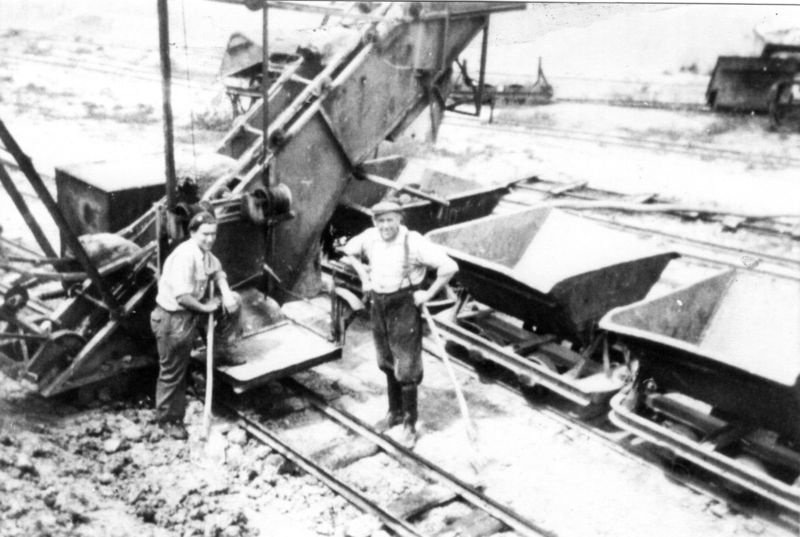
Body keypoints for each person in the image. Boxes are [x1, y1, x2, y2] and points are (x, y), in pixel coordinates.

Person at [340, 200, 458, 447]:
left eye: (390, 220)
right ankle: (393, 413)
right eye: (380, 220)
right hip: (378, 303)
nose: (385, 226)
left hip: (403, 304)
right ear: (374, 221)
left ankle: (409, 424)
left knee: (406, 365)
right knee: (385, 360)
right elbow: (348, 251)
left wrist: (427, 294)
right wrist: (364, 276)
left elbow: (449, 267)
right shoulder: (370, 237)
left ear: (399, 220)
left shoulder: (413, 241)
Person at [149, 211, 242, 440]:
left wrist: (225, 293)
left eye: (213, 234)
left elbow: (217, 270)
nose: (210, 239)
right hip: (173, 319)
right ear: (192, 233)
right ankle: (168, 420)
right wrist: (206, 308)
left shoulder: (203, 253)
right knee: (173, 372)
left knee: (235, 301)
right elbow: (182, 297)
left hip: (192, 312)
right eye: (204, 234)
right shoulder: (185, 256)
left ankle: (220, 351)